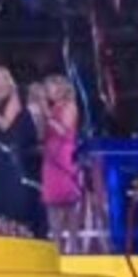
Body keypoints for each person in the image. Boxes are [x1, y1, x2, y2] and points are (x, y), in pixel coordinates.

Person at [0, 66, 39, 237]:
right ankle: (4, 234)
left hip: (12, 153)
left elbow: (5, 125)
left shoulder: (14, 95)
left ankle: (21, 234)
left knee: (13, 199)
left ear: (7, 80)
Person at [39, 75, 82, 253]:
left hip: (63, 155)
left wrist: (48, 116)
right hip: (50, 158)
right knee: (52, 204)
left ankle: (74, 247)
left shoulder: (69, 106)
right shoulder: (52, 109)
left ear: (61, 89)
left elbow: (64, 131)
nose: (48, 92)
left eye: (50, 87)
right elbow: (43, 134)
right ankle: (56, 247)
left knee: (69, 202)